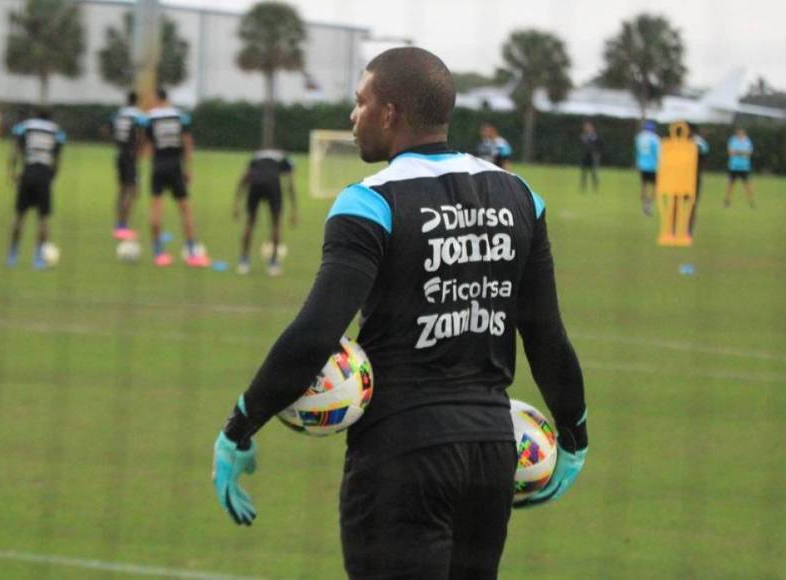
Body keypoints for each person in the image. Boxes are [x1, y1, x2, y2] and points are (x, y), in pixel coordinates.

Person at [212, 47, 588, 579]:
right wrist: (574, 437)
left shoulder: (370, 202)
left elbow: (317, 331)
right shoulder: (521, 196)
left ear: (389, 113)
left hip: (402, 456)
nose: (353, 115)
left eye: (360, 101)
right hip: (489, 454)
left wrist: (240, 426)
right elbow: (546, 334)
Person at [145, 88, 207, 267]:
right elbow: (188, 143)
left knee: (156, 209)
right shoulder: (180, 116)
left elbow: (147, 148)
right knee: (185, 210)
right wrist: (189, 168)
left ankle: (158, 253)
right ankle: (192, 253)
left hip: (158, 167)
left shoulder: (150, 118)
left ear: (157, 99)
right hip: (175, 168)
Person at [6, 110, 66, 269]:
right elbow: (57, 158)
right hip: (43, 175)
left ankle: (12, 255)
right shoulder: (56, 131)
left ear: (35, 115)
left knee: (19, 215)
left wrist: (12, 172)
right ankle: (38, 258)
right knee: (43, 218)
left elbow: (15, 151)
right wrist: (52, 177)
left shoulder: (25, 127)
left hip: (28, 172)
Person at [232, 149, 298, 276]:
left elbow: (245, 177)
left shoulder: (257, 156)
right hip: (273, 184)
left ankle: (244, 262)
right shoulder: (286, 159)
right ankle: (273, 264)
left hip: (255, 183)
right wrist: (294, 211)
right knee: (276, 224)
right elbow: (290, 184)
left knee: (250, 223)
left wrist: (236, 203)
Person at [110, 91, 147, 241]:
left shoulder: (119, 114)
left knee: (122, 189)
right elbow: (141, 134)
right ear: (137, 101)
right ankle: (122, 226)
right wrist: (139, 150)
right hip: (131, 155)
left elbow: (108, 129)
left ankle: (119, 223)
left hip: (120, 153)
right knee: (133, 190)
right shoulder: (138, 115)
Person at [724, 127, 755, 208]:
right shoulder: (733, 140)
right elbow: (731, 152)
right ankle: (727, 201)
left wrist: (738, 152)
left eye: (742, 132)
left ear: (744, 133)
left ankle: (751, 201)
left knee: (748, 185)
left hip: (744, 167)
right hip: (734, 167)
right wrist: (741, 152)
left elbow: (749, 153)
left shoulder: (748, 141)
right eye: (738, 132)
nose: (740, 134)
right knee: (730, 185)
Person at [635, 120, 661, 216]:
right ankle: (649, 205)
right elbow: (658, 154)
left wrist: (637, 164)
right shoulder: (655, 139)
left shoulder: (639, 138)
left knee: (643, 186)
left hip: (642, 166)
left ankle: (644, 206)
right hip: (653, 166)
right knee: (655, 187)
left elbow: (637, 152)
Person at [689, 123, 710, 235]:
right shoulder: (700, 142)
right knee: (691, 203)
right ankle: (688, 228)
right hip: (691, 177)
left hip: (692, 177)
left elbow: (703, 156)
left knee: (690, 202)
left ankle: (689, 228)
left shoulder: (698, 143)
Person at [579, 120, 601, 192]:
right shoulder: (583, 136)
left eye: (588, 127)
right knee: (584, 172)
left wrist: (597, 155)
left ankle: (595, 186)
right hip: (585, 156)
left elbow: (598, 145)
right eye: (586, 127)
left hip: (593, 156)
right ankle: (583, 186)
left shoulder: (594, 136)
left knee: (594, 171)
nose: (587, 128)